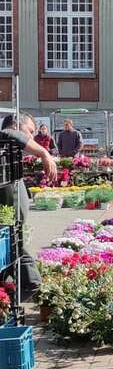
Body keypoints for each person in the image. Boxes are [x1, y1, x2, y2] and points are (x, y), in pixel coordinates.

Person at [0, 113, 57, 299]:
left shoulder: (9, 149)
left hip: (11, 225)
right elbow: (9, 133)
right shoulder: (6, 136)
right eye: (30, 131)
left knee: (17, 256)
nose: (32, 137)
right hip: (6, 224)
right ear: (17, 125)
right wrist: (43, 153)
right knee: (26, 271)